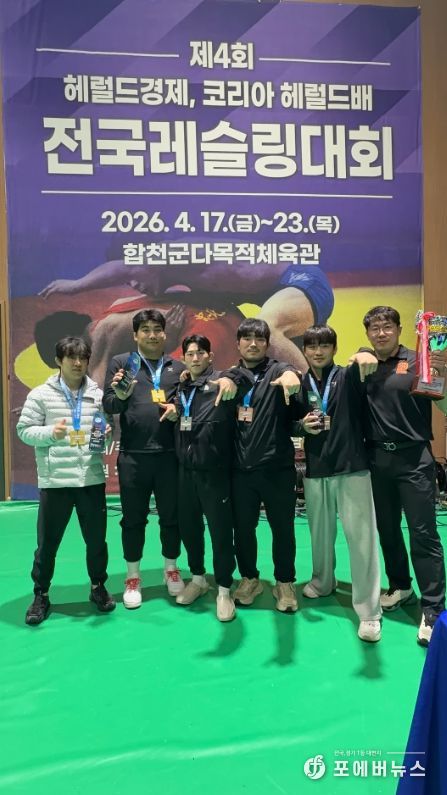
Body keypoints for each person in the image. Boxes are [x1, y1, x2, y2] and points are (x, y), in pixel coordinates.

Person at [39, 258, 334, 372]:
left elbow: (123, 267)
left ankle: (314, 397)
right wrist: (77, 285)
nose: (136, 285)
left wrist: (77, 286)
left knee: (263, 329)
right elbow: (124, 267)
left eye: (137, 277)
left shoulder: (184, 262)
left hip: (300, 280)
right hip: (258, 299)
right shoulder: (161, 278)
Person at [362, 306, 446, 646]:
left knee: (423, 533)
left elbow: (442, 405)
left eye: (387, 327)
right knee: (387, 529)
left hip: (414, 459)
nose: (381, 333)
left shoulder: (419, 360)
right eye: (374, 328)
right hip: (377, 459)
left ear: (399, 330)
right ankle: (400, 585)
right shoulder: (365, 365)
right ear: (367, 333)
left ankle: (433, 608)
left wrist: (441, 378)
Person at [17, 336, 116, 625]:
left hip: (90, 480)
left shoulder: (97, 395)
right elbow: (24, 430)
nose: (77, 363)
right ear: (58, 361)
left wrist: (106, 434)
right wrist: (51, 433)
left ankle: (98, 587)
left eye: (83, 358)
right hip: (56, 482)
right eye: (71, 357)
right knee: (47, 544)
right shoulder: (40, 395)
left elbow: (104, 428)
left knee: (96, 541)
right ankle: (41, 594)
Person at [295, 325, 382, 642]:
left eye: (324, 345)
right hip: (316, 468)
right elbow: (287, 421)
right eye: (311, 346)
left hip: (352, 467)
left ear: (334, 348)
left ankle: (369, 611)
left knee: (362, 540)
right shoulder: (299, 383)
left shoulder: (348, 376)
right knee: (319, 535)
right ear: (304, 350)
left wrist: (366, 351)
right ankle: (323, 582)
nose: (318, 351)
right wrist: (301, 425)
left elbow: (366, 363)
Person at [102, 309, 185, 608]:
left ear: (165, 333)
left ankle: (171, 568)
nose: (152, 335)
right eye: (145, 329)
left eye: (157, 329)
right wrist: (121, 396)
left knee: (171, 517)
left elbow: (189, 406)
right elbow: (109, 404)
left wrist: (178, 411)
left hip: (169, 457)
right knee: (133, 519)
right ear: (135, 335)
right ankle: (133, 576)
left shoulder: (178, 367)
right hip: (133, 457)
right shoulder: (122, 364)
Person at [174, 334, 253, 622]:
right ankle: (198, 578)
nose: (195, 358)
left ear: (210, 356)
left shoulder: (222, 382)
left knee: (220, 533)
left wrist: (230, 377)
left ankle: (223, 589)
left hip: (215, 474)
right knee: (190, 529)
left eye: (200, 353)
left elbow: (247, 377)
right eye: (190, 354)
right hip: (185, 473)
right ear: (184, 358)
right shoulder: (181, 387)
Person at [231, 318, 301, 613]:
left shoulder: (278, 371)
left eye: (259, 339)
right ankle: (249, 578)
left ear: (267, 344)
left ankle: (284, 582)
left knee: (283, 529)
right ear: (238, 343)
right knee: (243, 529)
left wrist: (291, 376)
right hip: (240, 471)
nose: (253, 343)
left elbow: (291, 374)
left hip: (277, 469)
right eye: (247, 338)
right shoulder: (232, 377)